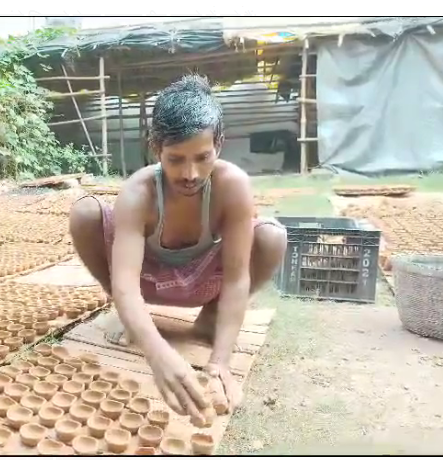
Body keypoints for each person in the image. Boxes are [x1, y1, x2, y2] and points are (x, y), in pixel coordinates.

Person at [69, 75, 287, 422]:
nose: (190, 173)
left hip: (201, 282)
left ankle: (210, 319)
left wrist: (220, 364)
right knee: (83, 213)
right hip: (145, 281)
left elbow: (235, 279)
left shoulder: (232, 186)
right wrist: (158, 353)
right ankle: (131, 318)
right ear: (155, 149)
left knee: (272, 237)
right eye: (175, 159)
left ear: (220, 144)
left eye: (202, 157)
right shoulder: (138, 193)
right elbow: (126, 284)